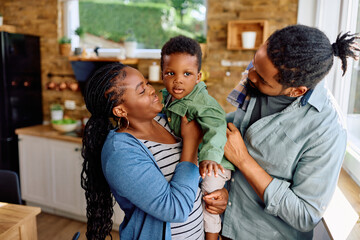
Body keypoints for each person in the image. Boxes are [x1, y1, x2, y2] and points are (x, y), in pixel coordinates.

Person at [203, 24, 360, 239]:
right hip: (226, 226)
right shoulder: (261, 76)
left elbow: (305, 215)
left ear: (297, 91)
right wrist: (224, 192)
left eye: (262, 78)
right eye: (254, 64)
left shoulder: (327, 130)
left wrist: (243, 160)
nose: (250, 75)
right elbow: (238, 130)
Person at [81, 62, 206, 240]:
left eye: (146, 83)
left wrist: (217, 193)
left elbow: (195, 179)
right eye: (141, 90)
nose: (151, 90)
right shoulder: (120, 154)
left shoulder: (169, 122)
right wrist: (191, 142)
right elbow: (175, 210)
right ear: (120, 110)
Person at [160, 35, 234, 240]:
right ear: (162, 74)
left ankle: (211, 237)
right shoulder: (168, 98)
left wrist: (210, 157)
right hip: (197, 159)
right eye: (171, 73)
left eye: (187, 73)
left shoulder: (202, 102)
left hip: (215, 162)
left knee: (209, 198)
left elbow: (217, 129)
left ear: (198, 76)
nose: (178, 80)